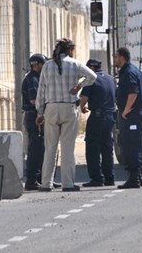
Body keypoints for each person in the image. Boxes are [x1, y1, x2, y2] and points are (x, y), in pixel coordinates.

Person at [35, 38, 97, 192]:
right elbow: (92, 76)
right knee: (67, 148)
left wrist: (40, 112)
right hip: (69, 107)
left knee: (50, 148)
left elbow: (41, 90)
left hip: (51, 108)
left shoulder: (47, 65)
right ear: (69, 50)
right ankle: (67, 183)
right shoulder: (75, 64)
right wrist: (79, 85)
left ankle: (46, 183)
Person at [113, 47, 142, 189]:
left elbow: (133, 92)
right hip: (136, 114)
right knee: (133, 145)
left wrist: (126, 110)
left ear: (121, 57)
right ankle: (137, 176)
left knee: (131, 146)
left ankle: (134, 178)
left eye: (116, 57)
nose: (114, 60)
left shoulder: (128, 72)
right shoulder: (132, 70)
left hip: (133, 115)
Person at [79, 58, 116, 187]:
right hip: (110, 115)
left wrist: (82, 107)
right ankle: (109, 177)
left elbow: (84, 98)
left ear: (91, 68)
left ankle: (96, 178)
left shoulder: (91, 79)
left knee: (92, 148)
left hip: (97, 116)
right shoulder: (111, 79)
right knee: (107, 148)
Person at [21, 53, 47, 191]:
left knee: (41, 148)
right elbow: (34, 101)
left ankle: (42, 178)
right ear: (36, 65)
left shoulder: (37, 78)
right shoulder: (32, 79)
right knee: (35, 149)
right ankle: (32, 180)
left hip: (37, 115)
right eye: (43, 64)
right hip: (34, 116)